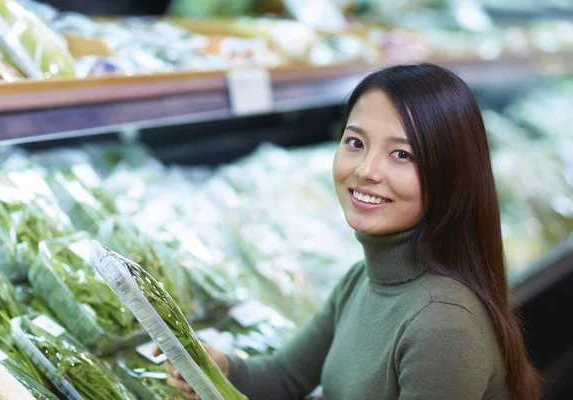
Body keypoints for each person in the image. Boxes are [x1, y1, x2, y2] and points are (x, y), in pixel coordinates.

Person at [154, 63, 543, 400]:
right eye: (355, 142)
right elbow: (285, 377)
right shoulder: (362, 279)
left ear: (450, 175)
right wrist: (220, 368)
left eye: (401, 154)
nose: (367, 170)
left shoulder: (443, 323)